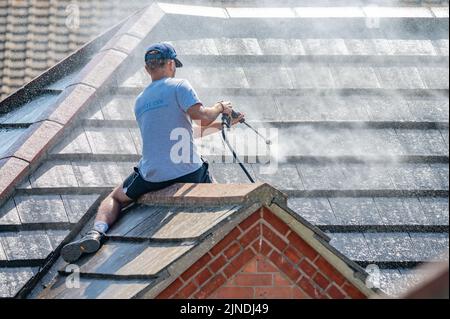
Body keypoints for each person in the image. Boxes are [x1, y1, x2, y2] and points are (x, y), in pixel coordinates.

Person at [61, 42, 244, 262]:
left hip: (153, 175)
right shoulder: (180, 86)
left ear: (147, 69)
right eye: (174, 64)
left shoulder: (140, 101)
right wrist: (220, 107)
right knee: (213, 187)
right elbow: (202, 117)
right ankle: (230, 228)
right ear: (170, 64)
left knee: (115, 197)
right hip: (189, 171)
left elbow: (180, 134)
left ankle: (96, 232)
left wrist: (222, 126)